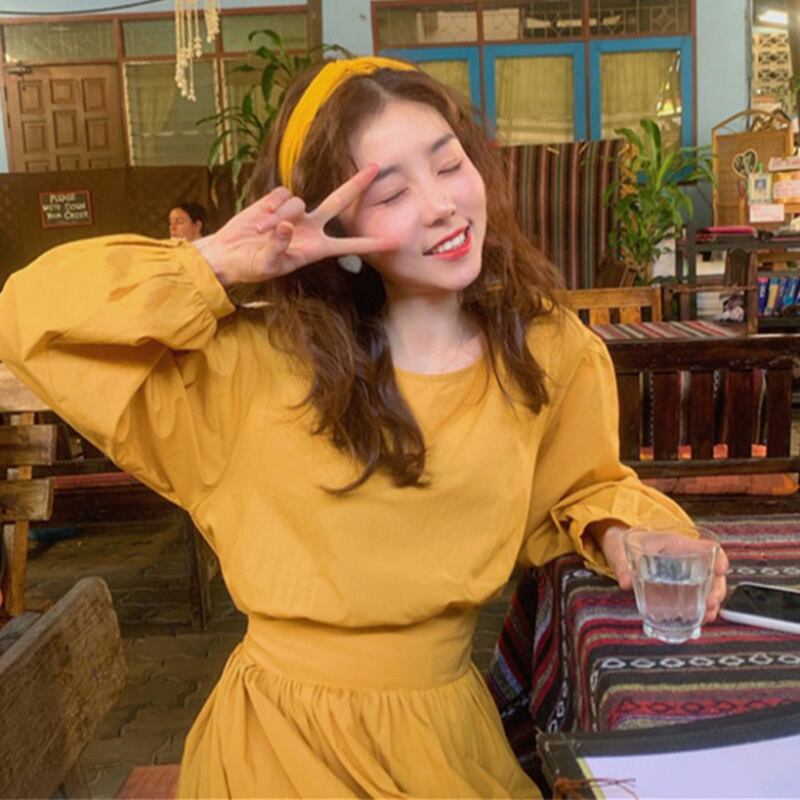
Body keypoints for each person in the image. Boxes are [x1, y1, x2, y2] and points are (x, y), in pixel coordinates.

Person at [0, 57, 728, 798]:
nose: (441, 205)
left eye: (449, 165)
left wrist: (627, 534)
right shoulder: (245, 370)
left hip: (446, 738)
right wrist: (216, 261)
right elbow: (30, 317)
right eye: (391, 192)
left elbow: (580, 487)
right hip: (274, 752)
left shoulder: (544, 351)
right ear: (333, 221)